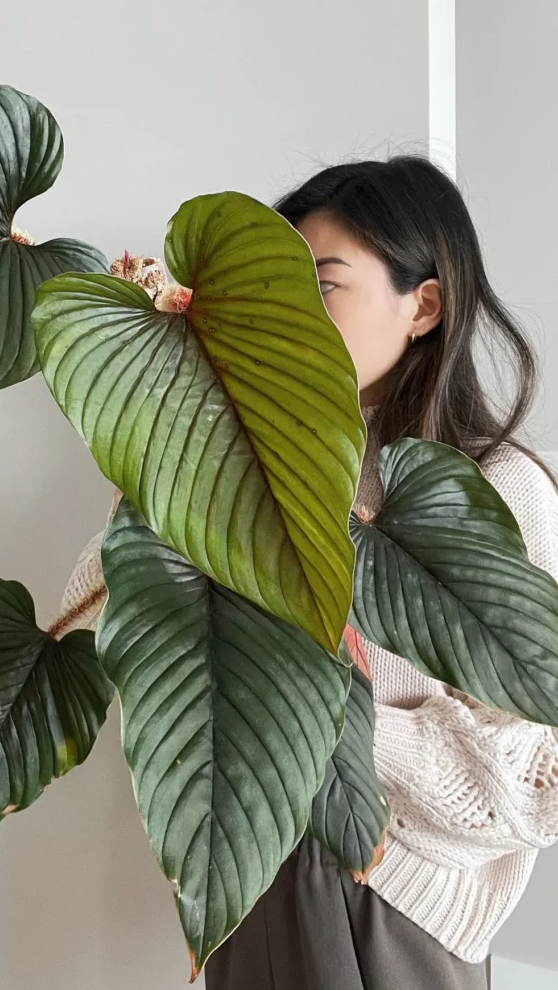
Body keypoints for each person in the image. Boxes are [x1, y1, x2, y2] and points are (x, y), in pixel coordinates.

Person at [51, 156, 558, 990]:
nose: (290, 315)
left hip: (395, 907)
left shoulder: (499, 487)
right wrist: (158, 451)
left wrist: (318, 708)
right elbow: (93, 619)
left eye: (322, 286)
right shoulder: (251, 461)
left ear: (423, 305)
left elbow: (536, 778)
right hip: (254, 871)